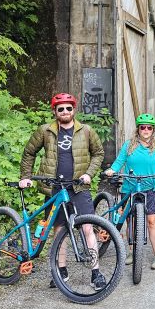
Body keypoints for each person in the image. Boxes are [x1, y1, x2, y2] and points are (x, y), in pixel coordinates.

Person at [19, 93, 106, 290]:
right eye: (60, 109)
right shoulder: (45, 131)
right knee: (59, 231)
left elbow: (98, 153)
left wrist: (90, 174)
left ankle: (96, 273)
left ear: (74, 110)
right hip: (55, 188)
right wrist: (26, 176)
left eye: (68, 108)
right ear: (55, 111)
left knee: (87, 228)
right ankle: (61, 271)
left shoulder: (86, 131)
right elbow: (29, 152)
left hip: (79, 186)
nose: (65, 111)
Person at [104, 113, 155, 270]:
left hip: (150, 187)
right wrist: (112, 170)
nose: (146, 130)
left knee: (152, 221)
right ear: (138, 129)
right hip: (130, 187)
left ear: (153, 129)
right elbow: (119, 162)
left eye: (149, 127)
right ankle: (130, 252)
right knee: (131, 221)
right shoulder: (129, 145)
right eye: (143, 127)